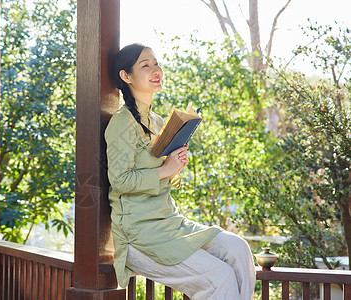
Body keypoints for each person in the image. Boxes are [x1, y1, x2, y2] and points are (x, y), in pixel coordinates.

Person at [104, 43, 256, 300]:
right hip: (139, 232)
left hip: (169, 223)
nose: (156, 69)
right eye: (145, 65)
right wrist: (165, 169)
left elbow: (164, 177)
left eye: (156, 63)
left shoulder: (159, 122)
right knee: (220, 278)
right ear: (125, 76)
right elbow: (120, 181)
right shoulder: (122, 122)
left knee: (238, 249)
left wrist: (175, 165)